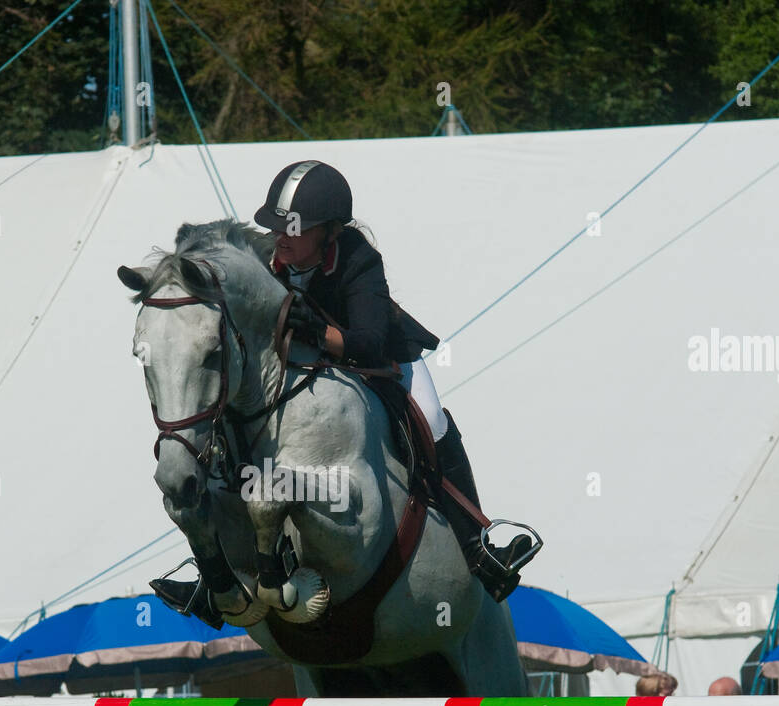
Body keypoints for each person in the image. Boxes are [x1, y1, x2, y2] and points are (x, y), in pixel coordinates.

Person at [153, 160, 536, 617]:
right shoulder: (266, 262)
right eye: (278, 227)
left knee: (432, 419)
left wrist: (317, 328)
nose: (282, 238)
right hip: (301, 366)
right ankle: (210, 571)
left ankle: (479, 546)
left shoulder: (357, 259)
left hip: (379, 356)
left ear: (330, 231)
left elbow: (369, 343)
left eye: (295, 229)